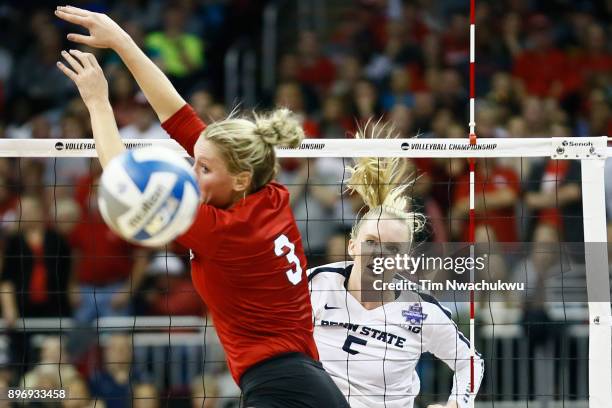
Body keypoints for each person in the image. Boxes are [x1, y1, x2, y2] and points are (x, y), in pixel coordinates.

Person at [55, 6, 348, 407]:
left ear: (241, 178)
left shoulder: (225, 230)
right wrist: (120, 40)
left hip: (282, 386)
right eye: (195, 161)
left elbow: (126, 180)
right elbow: (176, 113)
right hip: (298, 381)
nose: (193, 173)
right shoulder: (268, 192)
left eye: (203, 168)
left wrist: (97, 102)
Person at [307, 130, 484, 408]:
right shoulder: (315, 285)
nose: (379, 254)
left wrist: (457, 404)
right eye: (371, 242)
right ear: (352, 245)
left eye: (392, 248)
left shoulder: (421, 310)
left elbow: (471, 362)